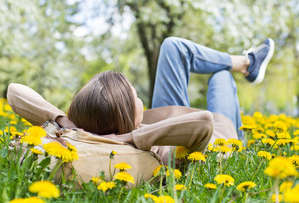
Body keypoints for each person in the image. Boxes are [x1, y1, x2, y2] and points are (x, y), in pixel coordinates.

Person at [7, 37, 274, 166]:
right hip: (221, 129)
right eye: (134, 96)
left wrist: (67, 123)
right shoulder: (154, 152)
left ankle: (247, 63)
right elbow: (203, 122)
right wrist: (130, 138)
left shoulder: (99, 128)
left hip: (167, 116)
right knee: (220, 77)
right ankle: (243, 65)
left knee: (172, 46)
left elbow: (14, 91)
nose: (139, 97)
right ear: (124, 121)